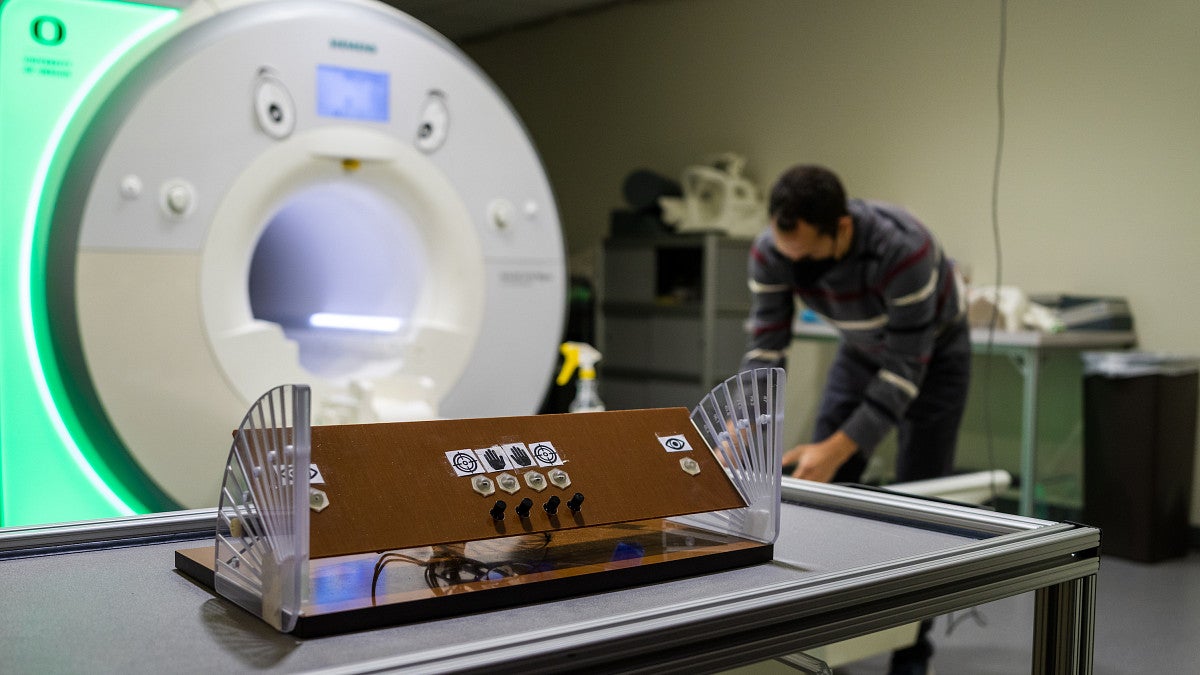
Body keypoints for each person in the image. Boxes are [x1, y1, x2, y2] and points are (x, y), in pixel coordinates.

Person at [741, 164, 970, 675]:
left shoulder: (903, 249)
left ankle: (912, 654)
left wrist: (836, 447)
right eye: (787, 256)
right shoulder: (772, 249)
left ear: (841, 229)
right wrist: (745, 425)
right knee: (823, 491)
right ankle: (825, 643)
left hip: (935, 357)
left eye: (807, 257)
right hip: (862, 351)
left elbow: (906, 371)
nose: (794, 270)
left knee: (923, 507)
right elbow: (765, 350)